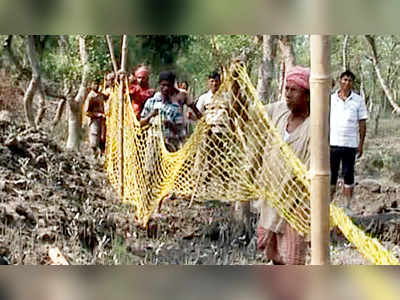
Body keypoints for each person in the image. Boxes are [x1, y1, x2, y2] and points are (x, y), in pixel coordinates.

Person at [257, 66, 311, 265]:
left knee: (293, 260)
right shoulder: (279, 111)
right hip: (272, 198)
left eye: (293, 90)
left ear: (307, 95)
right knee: (274, 256)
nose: (288, 94)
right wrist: (236, 87)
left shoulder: (314, 127)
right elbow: (249, 113)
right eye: (286, 89)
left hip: (296, 206)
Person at [330, 70, 368, 214]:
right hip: (332, 144)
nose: (347, 83)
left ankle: (347, 207)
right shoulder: (331, 99)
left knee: (348, 175)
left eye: (350, 81)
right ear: (340, 81)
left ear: (353, 83)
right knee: (330, 176)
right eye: (344, 80)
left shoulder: (358, 100)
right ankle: (327, 206)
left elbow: (362, 123)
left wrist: (361, 144)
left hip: (350, 145)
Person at [141, 71, 201, 152]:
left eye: (168, 85)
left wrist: (170, 125)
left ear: (173, 86)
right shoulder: (152, 102)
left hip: (171, 144)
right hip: (154, 143)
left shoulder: (175, 106)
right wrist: (151, 115)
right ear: (159, 85)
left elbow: (180, 130)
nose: (165, 88)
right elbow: (141, 123)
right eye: (163, 85)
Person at [85, 81, 107, 155]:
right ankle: (93, 157)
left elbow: (108, 96)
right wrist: (98, 115)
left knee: (102, 139)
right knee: (94, 141)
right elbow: (87, 112)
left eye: (97, 84)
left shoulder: (101, 95)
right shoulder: (90, 97)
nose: (96, 86)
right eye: (94, 84)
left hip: (102, 121)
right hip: (94, 121)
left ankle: (101, 156)